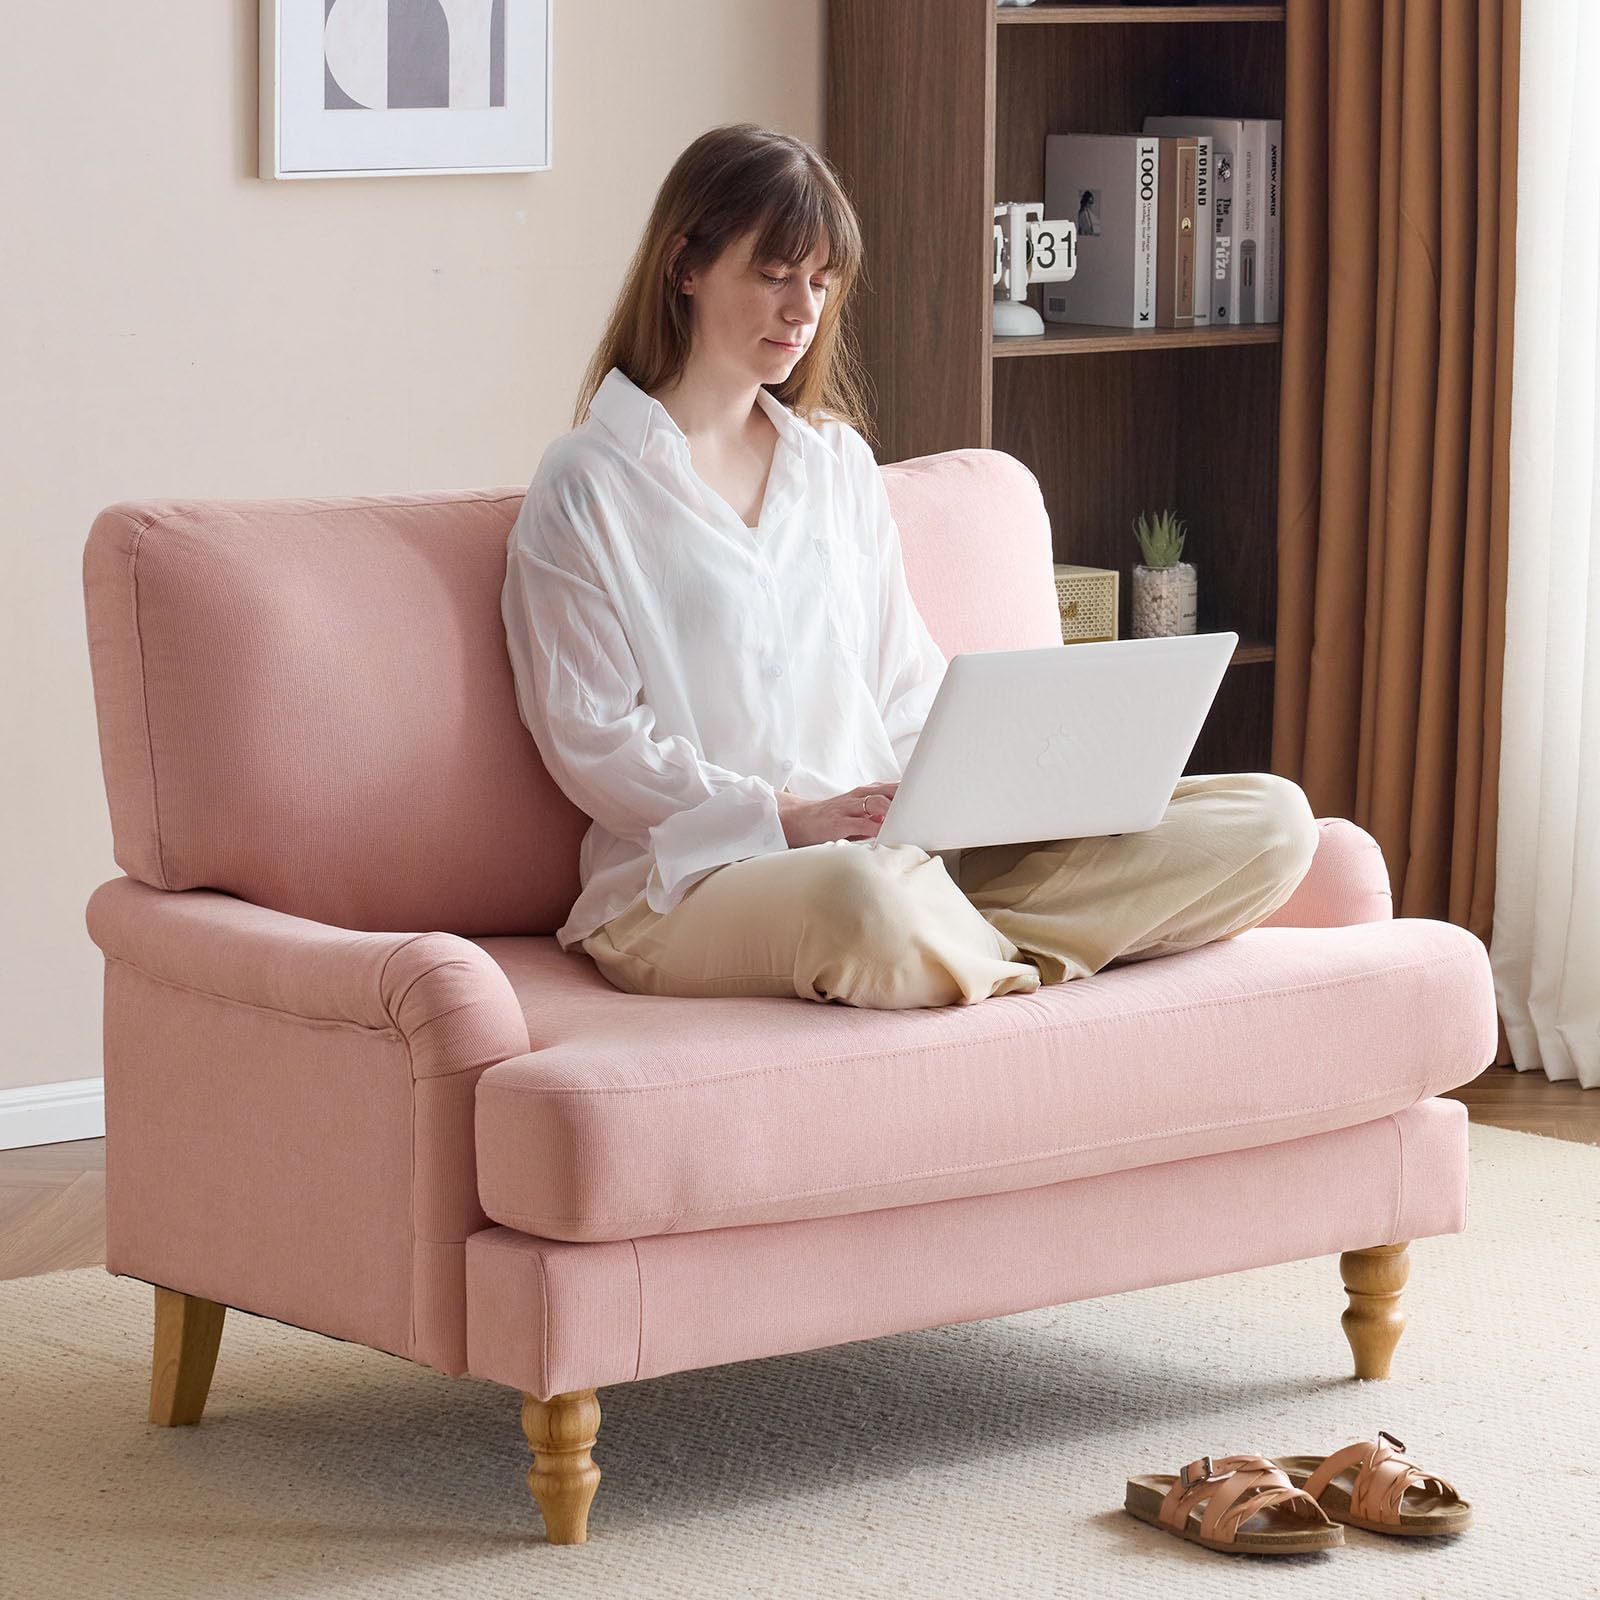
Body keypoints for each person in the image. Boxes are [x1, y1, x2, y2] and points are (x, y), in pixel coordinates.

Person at [501, 123, 1319, 1010]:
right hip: (699, 884)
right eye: (773, 276)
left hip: (893, 856)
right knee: (861, 904)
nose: (801, 312)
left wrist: (988, 796)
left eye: (820, 283)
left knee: (1271, 822)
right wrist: (787, 815)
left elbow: (902, 687)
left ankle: (953, 955)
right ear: (684, 266)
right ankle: (971, 954)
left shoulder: (835, 466)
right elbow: (594, 741)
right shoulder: (587, 485)